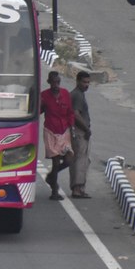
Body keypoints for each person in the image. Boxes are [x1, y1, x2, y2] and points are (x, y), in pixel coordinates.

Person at [39, 70, 74, 201]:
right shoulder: (44, 96)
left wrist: (72, 128)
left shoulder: (65, 94)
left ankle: (51, 177)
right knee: (55, 161)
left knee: (69, 159)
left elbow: (70, 112)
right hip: (50, 131)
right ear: (49, 82)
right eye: (53, 82)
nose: (56, 85)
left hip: (64, 131)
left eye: (58, 82)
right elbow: (39, 111)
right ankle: (54, 191)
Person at [68, 71, 92, 199]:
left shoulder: (79, 94)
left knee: (81, 159)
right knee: (80, 160)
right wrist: (86, 130)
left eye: (88, 82)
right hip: (80, 132)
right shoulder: (77, 95)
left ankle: (78, 188)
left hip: (79, 131)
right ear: (77, 81)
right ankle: (77, 189)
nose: (86, 85)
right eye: (84, 82)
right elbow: (76, 114)